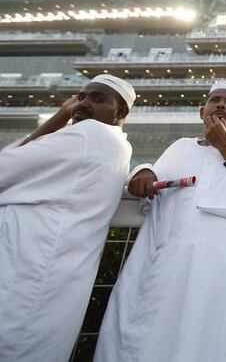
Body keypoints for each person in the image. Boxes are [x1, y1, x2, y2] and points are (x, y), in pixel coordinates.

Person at [95, 81, 226, 362]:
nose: (221, 105)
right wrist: (144, 170)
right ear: (202, 111)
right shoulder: (180, 147)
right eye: (215, 100)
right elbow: (156, 179)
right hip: (170, 270)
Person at [0, 75, 134, 362]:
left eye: (97, 99)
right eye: (81, 97)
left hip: (28, 263)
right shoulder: (117, 144)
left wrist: (59, 117)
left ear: (120, 113)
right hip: (49, 264)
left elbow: (5, 166)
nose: (83, 104)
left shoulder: (89, 135)